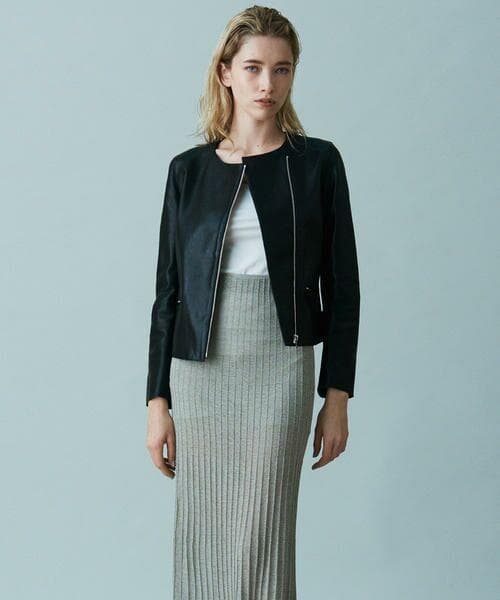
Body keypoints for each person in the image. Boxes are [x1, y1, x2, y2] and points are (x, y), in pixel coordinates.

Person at [145, 6, 360, 599]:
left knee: (263, 537)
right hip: (201, 371)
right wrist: (157, 401)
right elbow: (168, 294)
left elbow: (343, 286)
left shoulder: (317, 163)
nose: (268, 83)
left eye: (282, 69)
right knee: (204, 533)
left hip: (281, 364)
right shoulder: (187, 172)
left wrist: (336, 395)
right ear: (226, 73)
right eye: (254, 68)